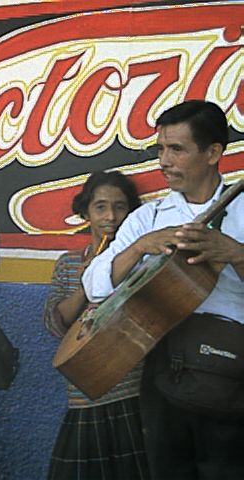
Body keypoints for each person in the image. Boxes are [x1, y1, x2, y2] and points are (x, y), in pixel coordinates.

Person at [82, 100, 244, 478]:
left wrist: (235, 254)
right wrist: (140, 246)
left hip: (232, 371)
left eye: (177, 149)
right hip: (163, 371)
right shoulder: (148, 218)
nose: (164, 161)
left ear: (213, 152)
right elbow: (94, 287)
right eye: (160, 149)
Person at [42, 171, 149, 479]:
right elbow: (54, 324)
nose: (111, 216)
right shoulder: (69, 263)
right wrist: (88, 282)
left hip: (133, 392)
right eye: (100, 207)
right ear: (85, 212)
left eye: (120, 207)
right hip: (84, 394)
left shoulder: (143, 260)